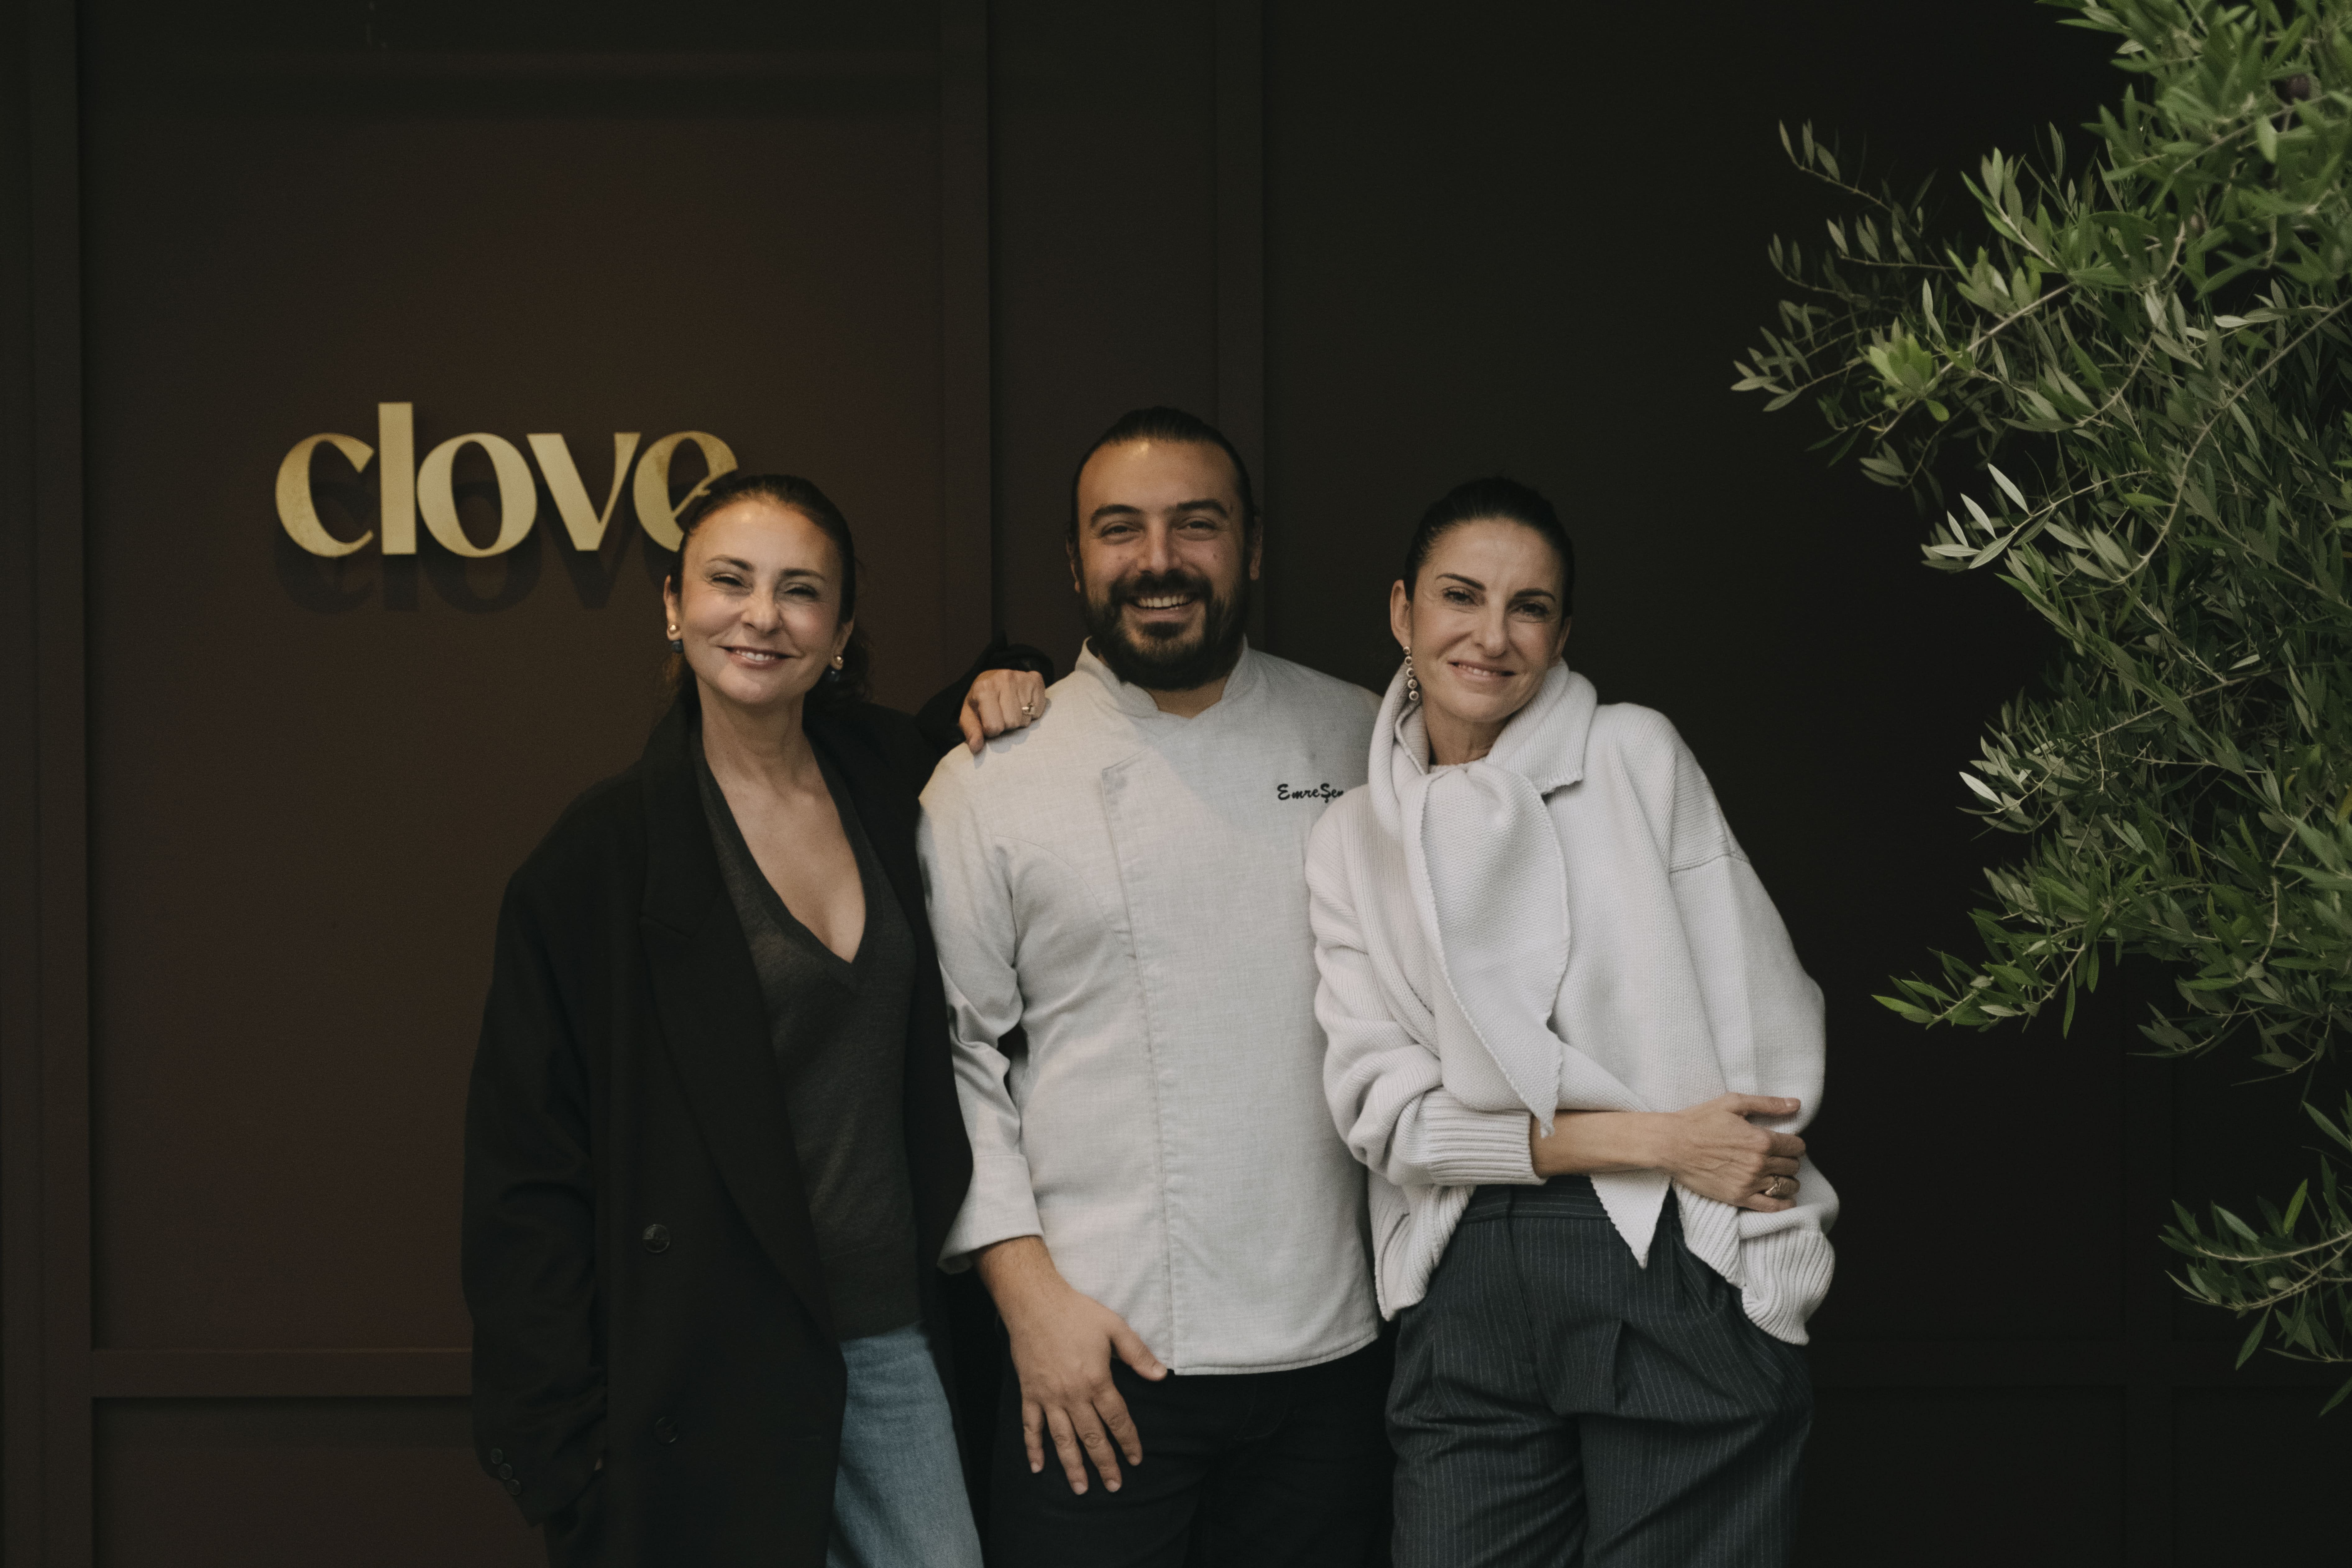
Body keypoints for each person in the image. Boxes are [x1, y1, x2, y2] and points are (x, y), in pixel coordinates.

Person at [1305, 477, 1836, 1568]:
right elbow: (1387, 1120)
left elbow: (1766, 1033)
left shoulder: (1633, 757)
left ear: (1561, 633)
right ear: (1401, 611)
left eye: (1529, 608)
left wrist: (1765, 1268)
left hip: (1662, 1251)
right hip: (1461, 1275)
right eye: (1460, 598)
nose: (1491, 637)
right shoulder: (1352, 837)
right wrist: (1650, 1136)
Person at [462, 472, 983, 1568]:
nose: (760, 615)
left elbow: (975, 711)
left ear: (840, 630)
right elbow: (523, 1178)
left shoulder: (900, 781)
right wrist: (561, 1453)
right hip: (705, 1365)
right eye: (728, 581)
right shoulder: (596, 860)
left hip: (890, 1339)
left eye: (800, 592)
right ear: (671, 603)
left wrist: (1013, 672)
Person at [923, 407, 1392, 1566]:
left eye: (1197, 524)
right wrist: (1031, 1308)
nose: (1159, 561)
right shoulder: (990, 780)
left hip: (1337, 1357)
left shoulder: (1367, 740)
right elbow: (951, 1060)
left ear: (1252, 547)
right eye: (1118, 530)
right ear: (1074, 561)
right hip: (1095, 1359)